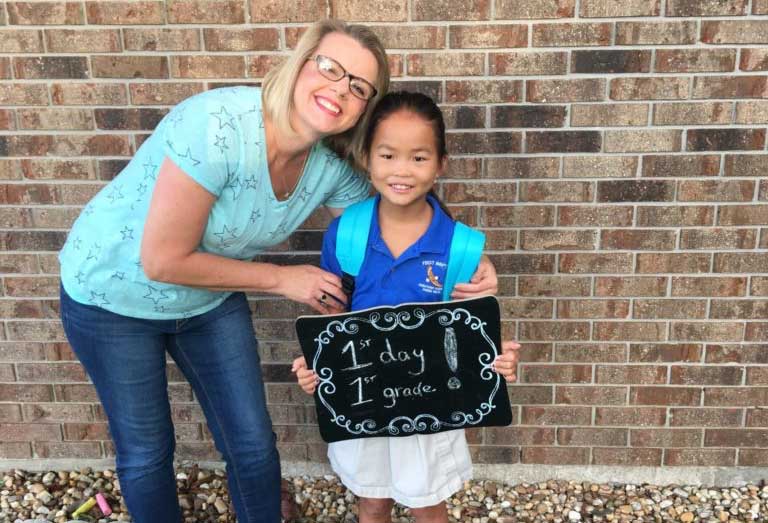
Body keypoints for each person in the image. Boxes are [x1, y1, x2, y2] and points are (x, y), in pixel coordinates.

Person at [58, 20, 499, 523]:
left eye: (358, 86)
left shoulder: (329, 168)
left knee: (250, 443)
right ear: (301, 61)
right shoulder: (218, 124)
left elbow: (396, 218)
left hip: (207, 298)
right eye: (330, 67)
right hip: (113, 296)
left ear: (365, 107)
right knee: (146, 450)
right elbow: (163, 259)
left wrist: (468, 259)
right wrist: (282, 278)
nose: (339, 89)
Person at [292, 91, 520, 523]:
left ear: (440, 164)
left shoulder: (461, 247)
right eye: (388, 155)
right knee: (372, 500)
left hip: (430, 407)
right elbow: (334, 325)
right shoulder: (346, 235)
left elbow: (470, 334)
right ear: (367, 158)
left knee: (426, 502)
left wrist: (497, 360)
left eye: (418, 158)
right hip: (364, 401)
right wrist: (316, 363)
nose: (401, 170)